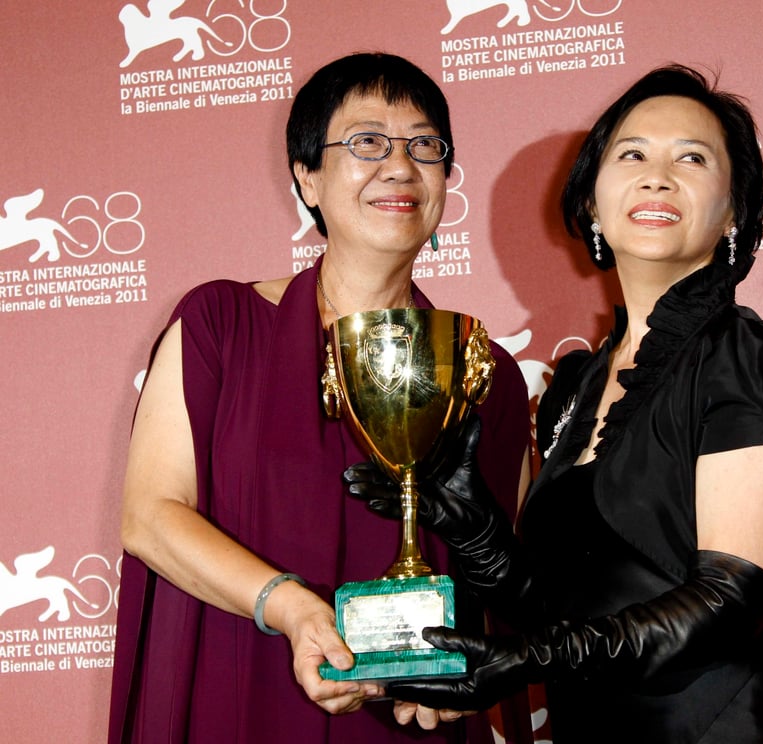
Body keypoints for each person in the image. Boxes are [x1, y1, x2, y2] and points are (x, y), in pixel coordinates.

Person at [350, 64, 763, 742]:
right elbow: (563, 610)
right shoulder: (576, 386)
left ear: (733, 213)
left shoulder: (745, 355)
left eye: (692, 158)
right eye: (632, 154)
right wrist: (475, 529)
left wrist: (530, 661)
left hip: (717, 725)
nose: (657, 176)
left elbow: (731, 598)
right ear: (593, 203)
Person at [107, 52, 531, 744]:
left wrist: (468, 672)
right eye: (367, 142)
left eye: (425, 146)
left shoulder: (487, 373)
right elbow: (149, 517)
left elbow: (510, 589)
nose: (400, 166)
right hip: (239, 695)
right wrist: (293, 610)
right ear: (307, 175)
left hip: (404, 723)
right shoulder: (221, 326)